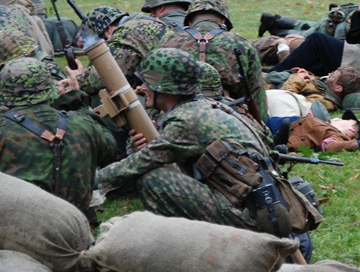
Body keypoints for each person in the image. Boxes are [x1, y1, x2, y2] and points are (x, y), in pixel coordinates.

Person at [96, 48, 273, 231]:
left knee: (154, 180)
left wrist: (91, 183)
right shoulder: (204, 107)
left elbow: (140, 163)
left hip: (251, 215)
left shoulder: (185, 120)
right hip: (261, 203)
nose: (141, 88)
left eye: (147, 83)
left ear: (163, 87)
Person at [0, 57, 118, 221]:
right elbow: (110, 151)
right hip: (74, 226)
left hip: (17, 227)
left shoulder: (3, 128)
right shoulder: (83, 123)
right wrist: (77, 102)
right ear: (50, 89)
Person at [159, 0, 267, 122]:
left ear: (189, 22)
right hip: (228, 117)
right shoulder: (242, 43)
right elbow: (256, 94)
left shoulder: (169, 42)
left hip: (176, 116)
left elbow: (154, 86)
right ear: (223, 20)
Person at [76, 5, 173, 98]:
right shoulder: (146, 22)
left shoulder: (125, 34)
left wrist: (78, 80)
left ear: (109, 30)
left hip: (168, 93)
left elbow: (105, 78)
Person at [272, 110, 360, 153]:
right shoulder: (326, 125)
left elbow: (328, 146)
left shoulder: (337, 136)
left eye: (347, 120)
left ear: (351, 130)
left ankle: (274, 143)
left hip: (283, 136)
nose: (340, 119)